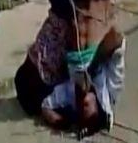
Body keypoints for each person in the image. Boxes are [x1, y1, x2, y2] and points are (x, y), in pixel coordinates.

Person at [14, 9, 125, 138]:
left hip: (40, 75)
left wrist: (58, 120)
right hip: (88, 45)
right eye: (88, 111)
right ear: (98, 109)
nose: (84, 107)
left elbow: (47, 104)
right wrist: (92, 55)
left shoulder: (71, 96)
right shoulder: (110, 89)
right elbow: (118, 42)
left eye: (81, 112)